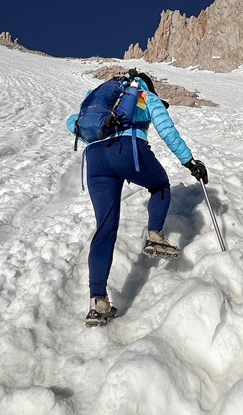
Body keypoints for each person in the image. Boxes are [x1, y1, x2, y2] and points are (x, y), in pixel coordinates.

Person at [66, 71, 208, 326]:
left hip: (95, 159)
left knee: (105, 229)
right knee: (160, 185)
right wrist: (189, 162)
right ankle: (155, 234)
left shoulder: (98, 97)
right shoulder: (145, 95)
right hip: (128, 150)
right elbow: (166, 129)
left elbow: (71, 123)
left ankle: (97, 301)